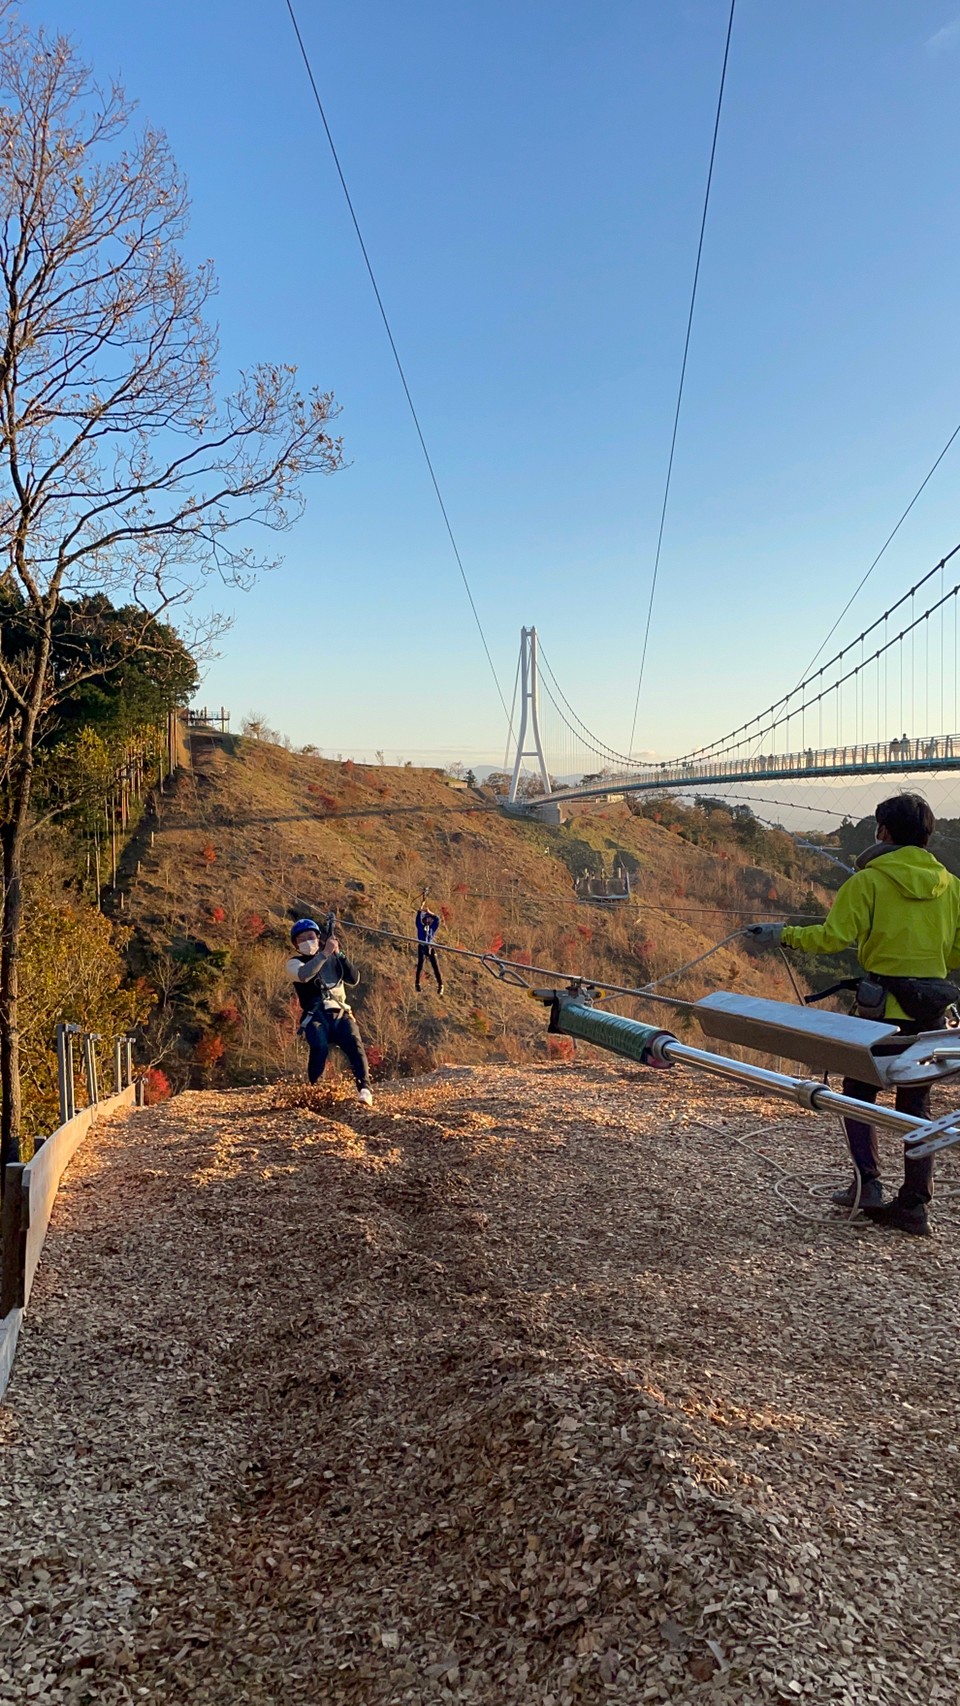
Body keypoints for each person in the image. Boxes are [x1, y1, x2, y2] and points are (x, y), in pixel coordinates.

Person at [746, 793, 960, 1236]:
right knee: (915, 1103)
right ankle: (915, 1206)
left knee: (857, 1094)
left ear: (883, 832)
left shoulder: (868, 882)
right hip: (933, 1011)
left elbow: (831, 937)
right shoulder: (952, 886)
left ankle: (868, 1187)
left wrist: (782, 934)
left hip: (880, 1009)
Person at [286, 917, 373, 1106]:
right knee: (319, 1046)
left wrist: (339, 954)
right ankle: (315, 1089)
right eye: (301, 939)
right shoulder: (295, 963)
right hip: (315, 1014)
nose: (307, 941)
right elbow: (305, 974)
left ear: (318, 937)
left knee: (355, 1046)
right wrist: (325, 953)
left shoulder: (333, 957)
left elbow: (354, 978)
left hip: (340, 1012)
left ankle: (365, 1089)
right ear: (295, 944)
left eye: (310, 936)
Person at [415, 900, 444, 994]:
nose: (428, 921)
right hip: (422, 946)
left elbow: (437, 920)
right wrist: (421, 907)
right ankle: (417, 984)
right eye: (426, 919)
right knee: (420, 965)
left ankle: (441, 985)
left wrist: (429, 912)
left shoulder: (432, 928)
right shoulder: (420, 926)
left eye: (429, 919)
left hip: (430, 946)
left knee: (436, 966)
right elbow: (418, 918)